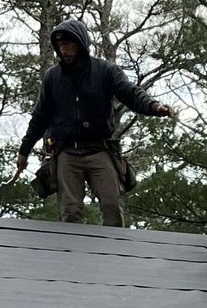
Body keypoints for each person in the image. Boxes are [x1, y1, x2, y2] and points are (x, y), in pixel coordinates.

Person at [14, 17, 176, 227]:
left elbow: (130, 93)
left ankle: (114, 254)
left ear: (81, 43)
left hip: (99, 149)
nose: (64, 50)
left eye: (69, 43)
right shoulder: (52, 77)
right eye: (61, 45)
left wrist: (154, 107)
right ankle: (72, 258)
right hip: (66, 152)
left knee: (112, 205)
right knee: (70, 212)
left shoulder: (105, 71)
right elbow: (39, 117)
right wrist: (24, 151)